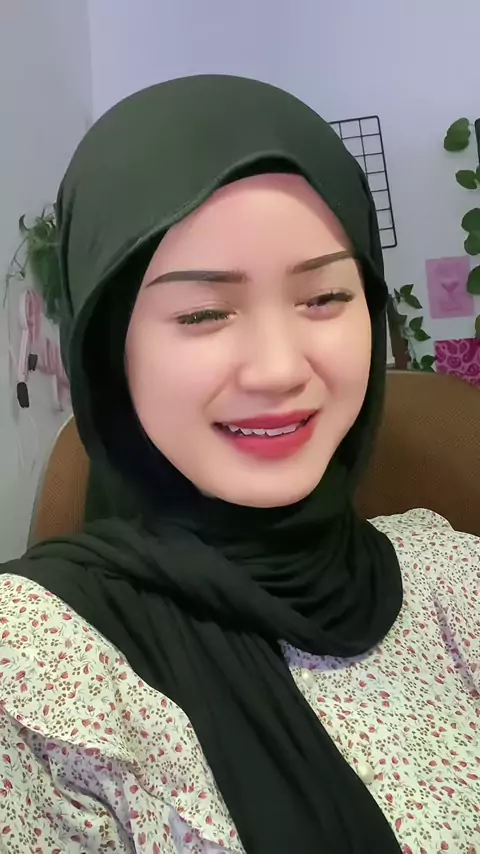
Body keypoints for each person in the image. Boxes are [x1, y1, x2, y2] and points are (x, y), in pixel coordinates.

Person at [0, 75, 478, 854]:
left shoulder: (453, 582)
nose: (279, 369)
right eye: (202, 312)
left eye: (324, 298)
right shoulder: (34, 665)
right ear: (109, 351)